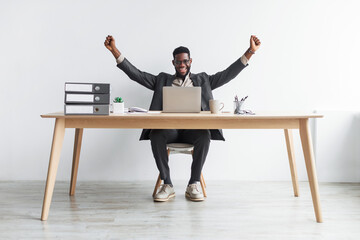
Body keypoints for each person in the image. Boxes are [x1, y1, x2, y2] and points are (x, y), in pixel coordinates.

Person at [104, 35, 261, 202]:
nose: (182, 65)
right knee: (156, 135)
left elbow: (228, 74)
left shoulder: (203, 80)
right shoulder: (162, 80)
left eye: (185, 61)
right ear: (173, 63)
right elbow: (136, 74)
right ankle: (167, 184)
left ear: (190, 61)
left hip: (192, 131)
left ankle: (193, 184)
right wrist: (114, 51)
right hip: (169, 130)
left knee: (204, 135)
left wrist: (250, 51)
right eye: (178, 62)